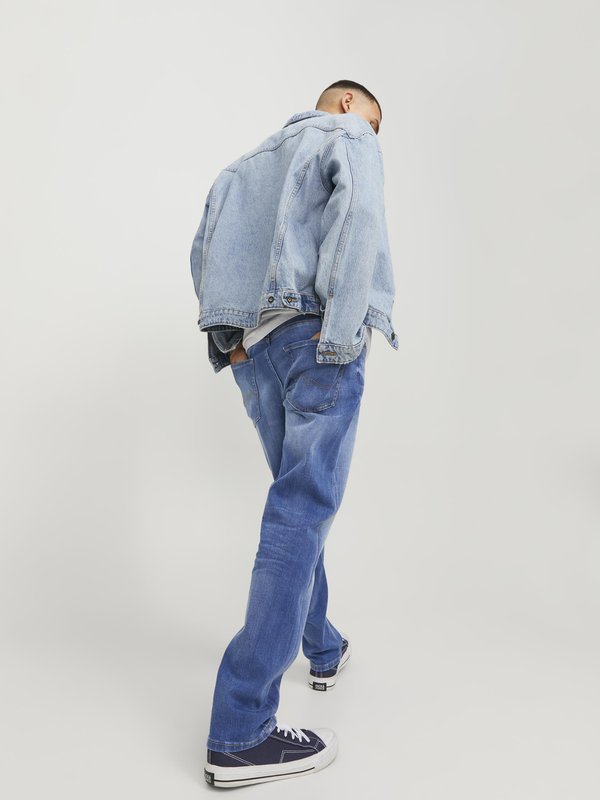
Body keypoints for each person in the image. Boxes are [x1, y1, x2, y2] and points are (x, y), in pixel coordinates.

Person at [190, 79, 398, 788]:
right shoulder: (346, 133)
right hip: (315, 340)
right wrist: (341, 335)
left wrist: (230, 345)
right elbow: (358, 217)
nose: (374, 135)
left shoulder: (239, 169)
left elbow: (202, 254)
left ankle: (323, 645)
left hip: (257, 352)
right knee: (300, 510)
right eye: (374, 121)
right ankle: (240, 730)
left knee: (297, 503)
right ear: (347, 103)